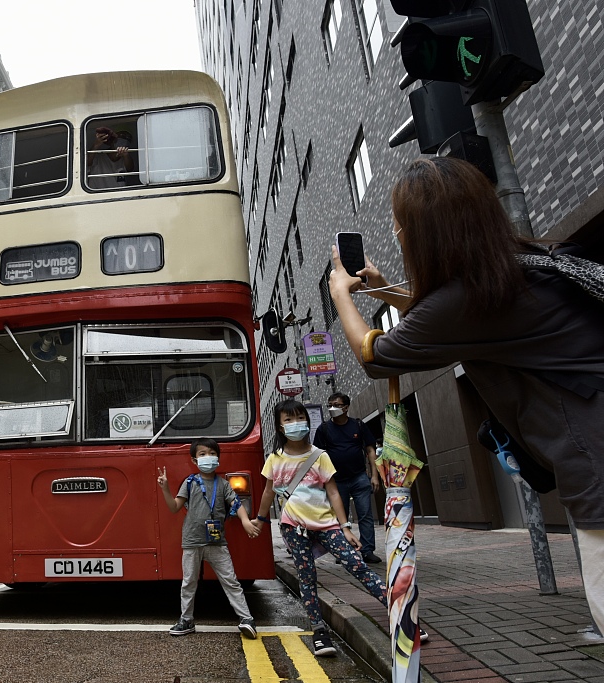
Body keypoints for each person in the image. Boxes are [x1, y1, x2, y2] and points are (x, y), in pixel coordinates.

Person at [327, 156, 604, 631]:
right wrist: (383, 291)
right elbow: (446, 318)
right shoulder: (518, 267)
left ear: (425, 233)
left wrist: (341, 295)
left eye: (400, 224)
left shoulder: (471, 299)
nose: (396, 232)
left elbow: (377, 357)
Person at [253, 399, 389, 656]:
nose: (296, 424)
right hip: (294, 528)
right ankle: (319, 631)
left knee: (357, 565)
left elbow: (334, 492)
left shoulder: (320, 455)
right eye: (288, 420)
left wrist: (346, 527)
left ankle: (398, 613)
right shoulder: (275, 459)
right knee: (307, 579)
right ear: (280, 428)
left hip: (328, 526)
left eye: (299, 418)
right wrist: (260, 521)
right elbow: (269, 492)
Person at [157, 437, 259, 639]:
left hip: (217, 542)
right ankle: (186, 619)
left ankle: (247, 618)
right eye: (202, 454)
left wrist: (246, 521)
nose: (208, 458)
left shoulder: (223, 484)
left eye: (212, 454)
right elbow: (174, 507)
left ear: (218, 459)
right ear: (194, 460)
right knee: (189, 582)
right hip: (192, 541)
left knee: (230, 581)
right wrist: (165, 489)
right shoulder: (190, 482)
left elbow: (236, 504)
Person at [313, 392, 383, 564]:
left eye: (336, 404)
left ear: (346, 407)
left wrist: (374, 476)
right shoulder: (324, 429)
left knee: (365, 514)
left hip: (359, 477)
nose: (332, 408)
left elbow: (370, 451)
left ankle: (367, 551)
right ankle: (344, 551)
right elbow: (318, 456)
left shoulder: (358, 425)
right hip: (336, 481)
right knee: (340, 518)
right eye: (330, 404)